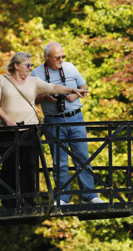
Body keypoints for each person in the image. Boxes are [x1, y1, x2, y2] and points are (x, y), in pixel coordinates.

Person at [0, 52, 87, 209]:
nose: (30, 68)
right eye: (27, 65)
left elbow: (54, 87)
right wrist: (7, 119)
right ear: (16, 65)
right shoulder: (2, 80)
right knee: (9, 168)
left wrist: (72, 90)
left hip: (30, 130)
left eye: (31, 65)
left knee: (30, 167)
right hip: (8, 131)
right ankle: (9, 204)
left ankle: (29, 203)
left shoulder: (34, 81)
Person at [32, 42, 104, 205]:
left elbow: (84, 86)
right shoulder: (36, 74)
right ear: (47, 57)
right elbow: (30, 99)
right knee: (60, 161)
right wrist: (45, 97)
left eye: (63, 56)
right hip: (53, 121)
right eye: (57, 57)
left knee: (83, 157)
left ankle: (90, 196)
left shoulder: (70, 67)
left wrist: (77, 95)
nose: (61, 60)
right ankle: (63, 198)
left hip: (75, 118)